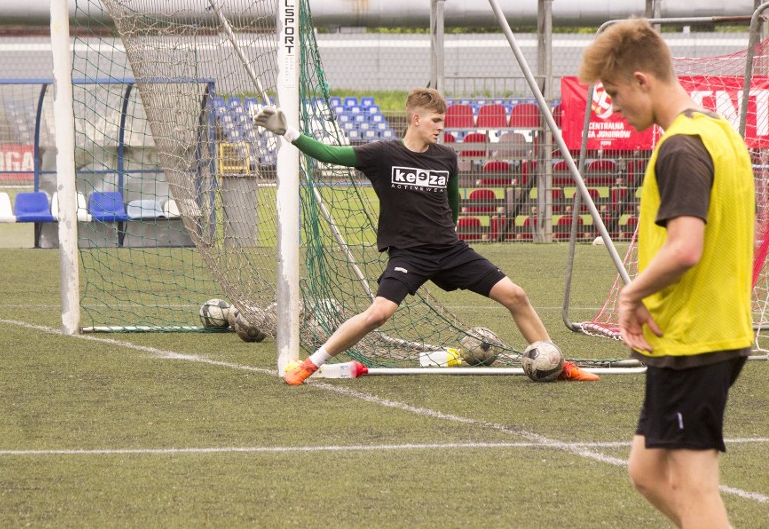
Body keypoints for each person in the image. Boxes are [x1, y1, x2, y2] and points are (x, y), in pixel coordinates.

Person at [253, 88, 598, 385]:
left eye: (442, 122)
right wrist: (290, 133)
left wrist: (449, 233)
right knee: (378, 314)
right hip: (409, 255)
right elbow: (331, 154)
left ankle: (558, 364)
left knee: (516, 295)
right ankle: (310, 365)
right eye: (435, 121)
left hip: (450, 250)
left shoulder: (446, 157)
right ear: (416, 119)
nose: (440, 128)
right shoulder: (383, 154)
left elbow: (454, 200)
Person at [579, 18, 754, 528]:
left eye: (612, 94)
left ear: (641, 80)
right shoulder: (721, 133)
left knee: (692, 489)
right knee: (647, 471)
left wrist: (631, 294)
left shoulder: (681, 146)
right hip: (698, 335)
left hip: (696, 342)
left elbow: (686, 248)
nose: (611, 106)